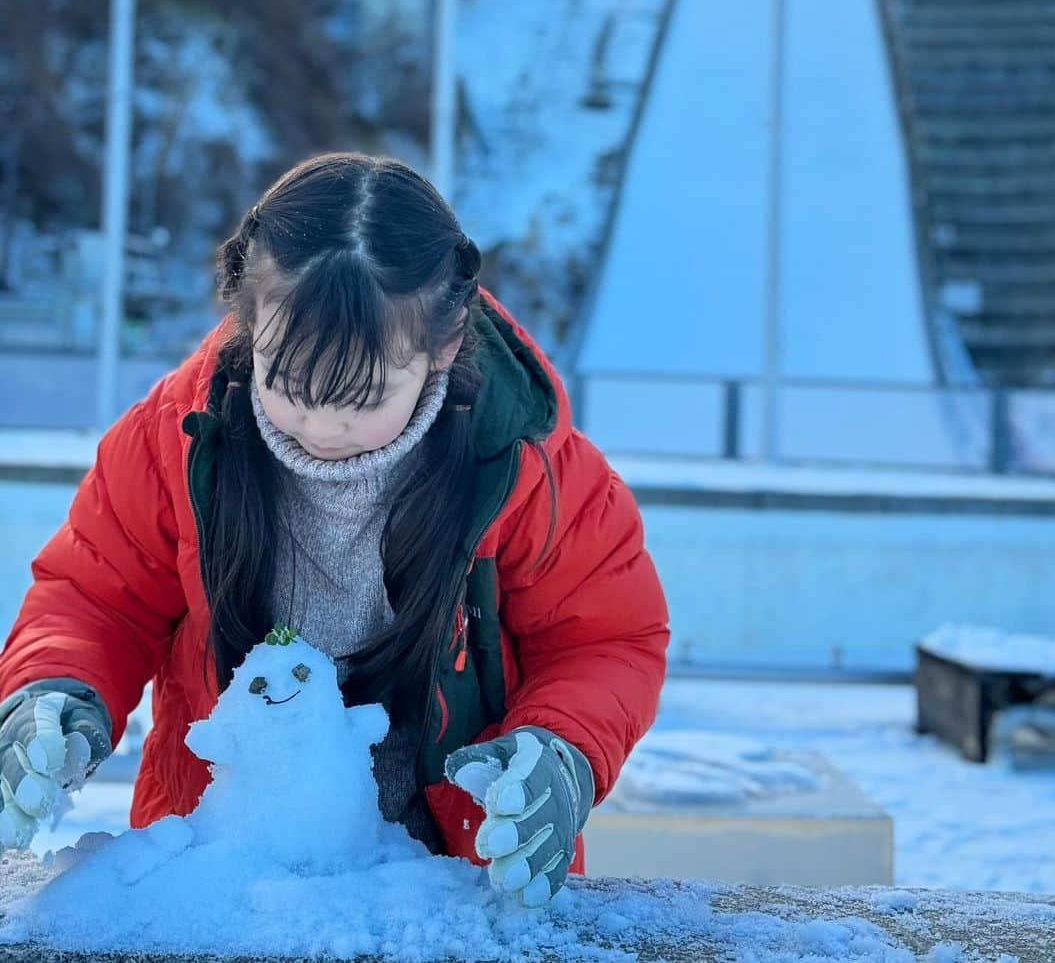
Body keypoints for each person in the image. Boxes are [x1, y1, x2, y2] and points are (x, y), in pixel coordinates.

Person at [0, 152, 668, 907]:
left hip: (453, 884)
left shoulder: (529, 466)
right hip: (223, 878)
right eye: (285, 381)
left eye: (363, 394)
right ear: (250, 326)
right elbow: (95, 599)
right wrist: (55, 693)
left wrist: (563, 747)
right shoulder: (170, 439)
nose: (322, 426)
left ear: (444, 344)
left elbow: (605, 639)